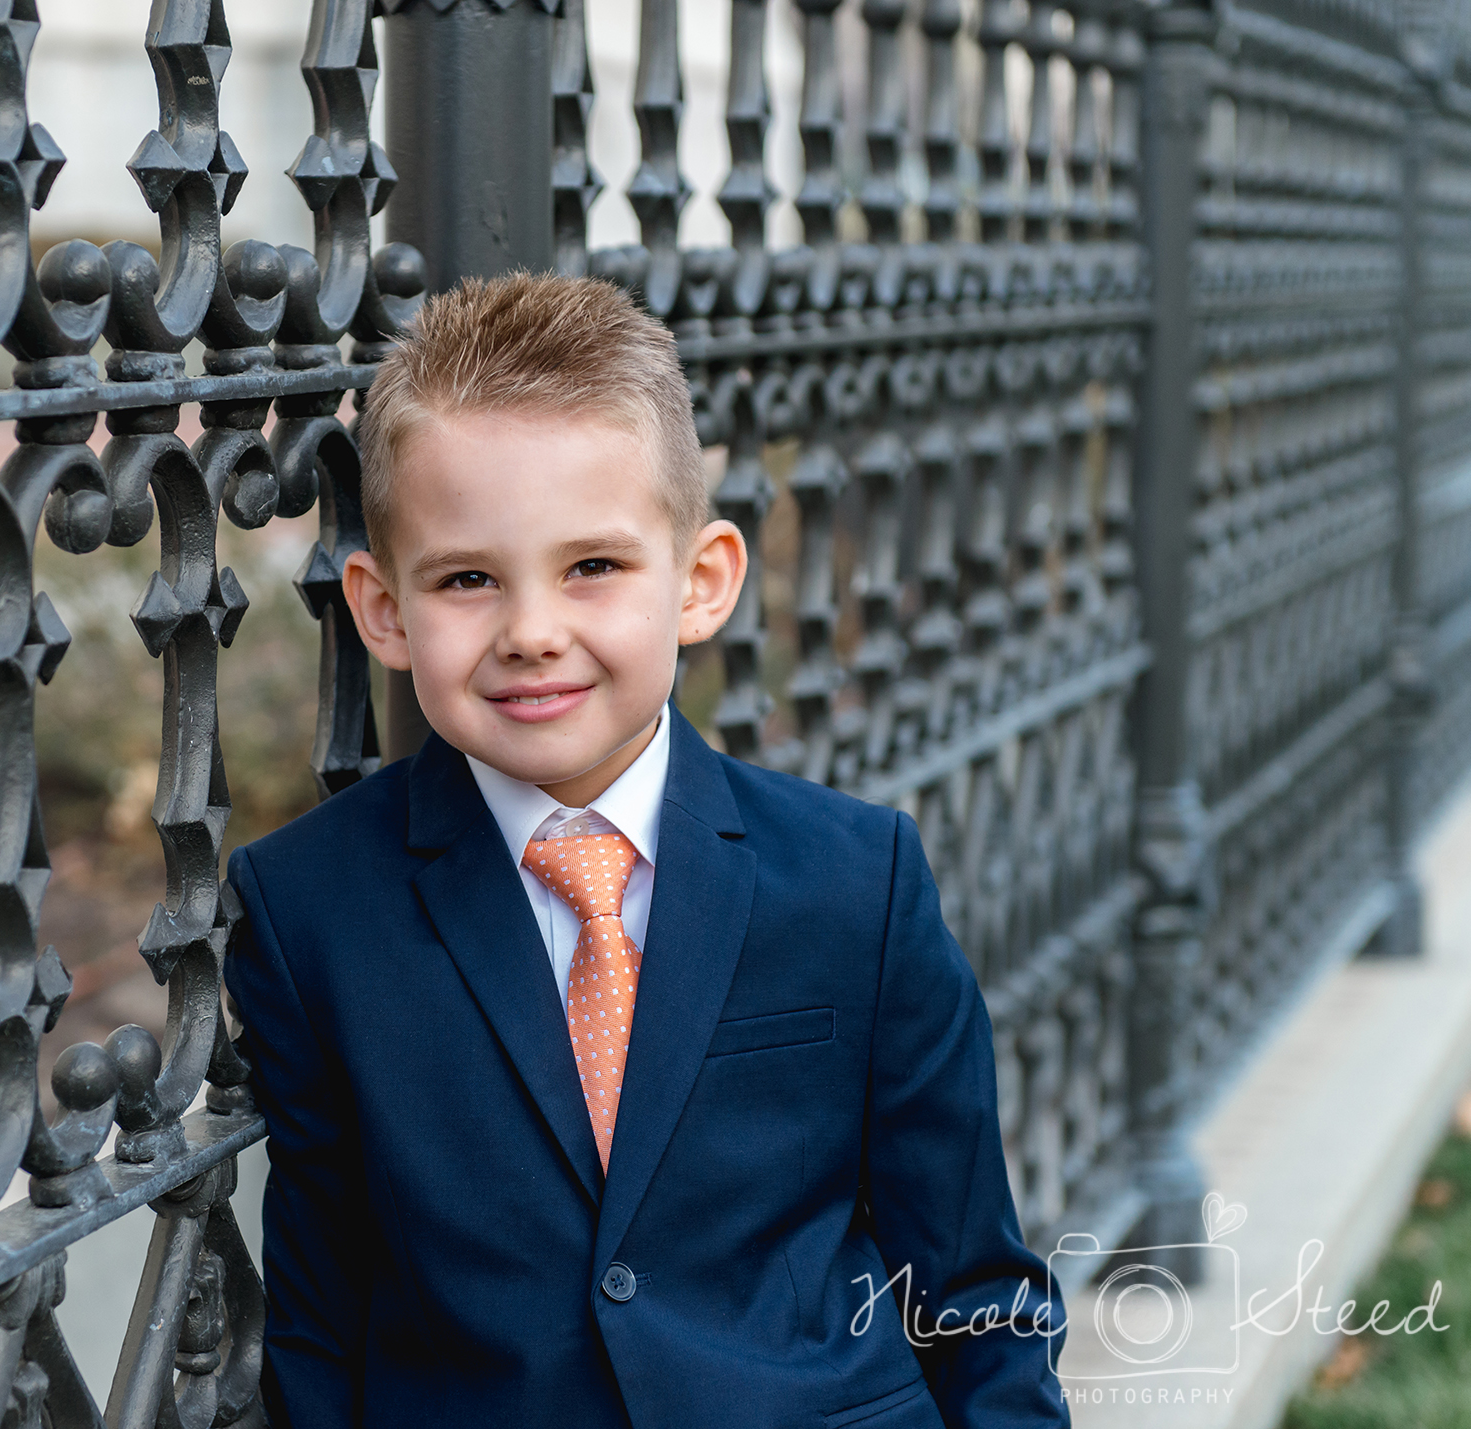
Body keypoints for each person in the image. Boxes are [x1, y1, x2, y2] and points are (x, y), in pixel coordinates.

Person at [223, 272, 1066, 1428]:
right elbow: (323, 1314)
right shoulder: (306, 908)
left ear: (700, 581)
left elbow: (971, 1284)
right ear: (381, 608)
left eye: (593, 566)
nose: (531, 631)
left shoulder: (851, 878)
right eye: (467, 578)